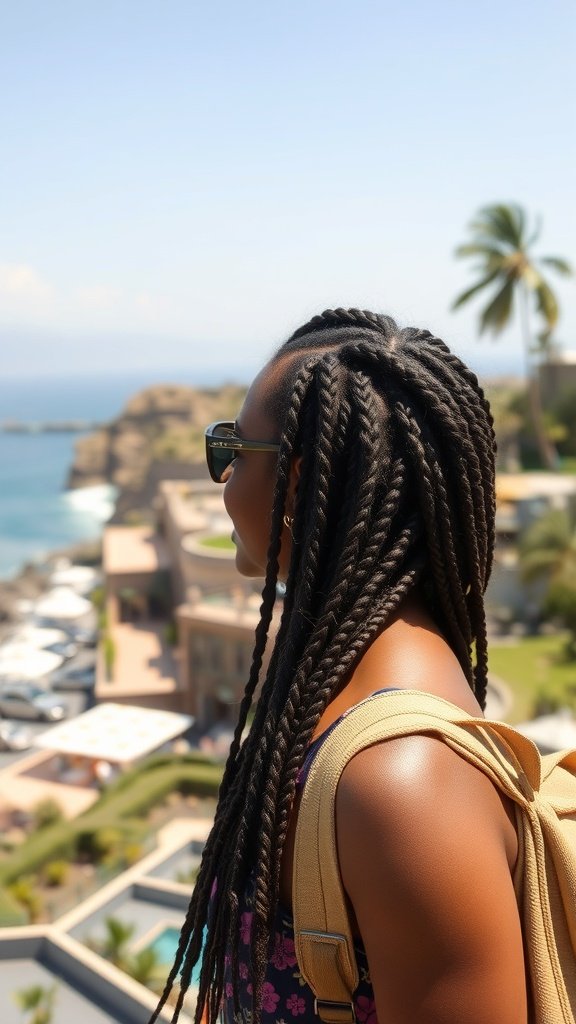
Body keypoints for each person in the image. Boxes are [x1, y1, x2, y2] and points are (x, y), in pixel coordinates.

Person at [152, 309, 527, 1024]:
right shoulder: (342, 687)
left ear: (301, 483)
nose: (222, 475)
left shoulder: (403, 782)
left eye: (233, 450)